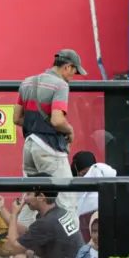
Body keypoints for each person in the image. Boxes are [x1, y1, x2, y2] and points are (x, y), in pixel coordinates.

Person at [13, 49, 87, 223]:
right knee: (67, 199)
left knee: (30, 200)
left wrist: (37, 126)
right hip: (49, 148)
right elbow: (57, 121)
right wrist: (70, 131)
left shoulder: (27, 82)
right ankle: (72, 247)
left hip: (29, 146)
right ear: (67, 67)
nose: (73, 76)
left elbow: (16, 118)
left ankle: (21, 245)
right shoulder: (60, 85)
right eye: (75, 71)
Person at [0, 173, 84, 258]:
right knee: (29, 250)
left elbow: (12, 248)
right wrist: (2, 210)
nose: (25, 198)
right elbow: (28, 233)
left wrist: (15, 214)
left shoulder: (47, 222)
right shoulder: (58, 212)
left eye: (28, 193)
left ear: (41, 197)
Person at [70, 150, 117, 242]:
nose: (87, 178)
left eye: (90, 173)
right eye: (83, 174)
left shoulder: (102, 189)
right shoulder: (69, 189)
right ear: (75, 171)